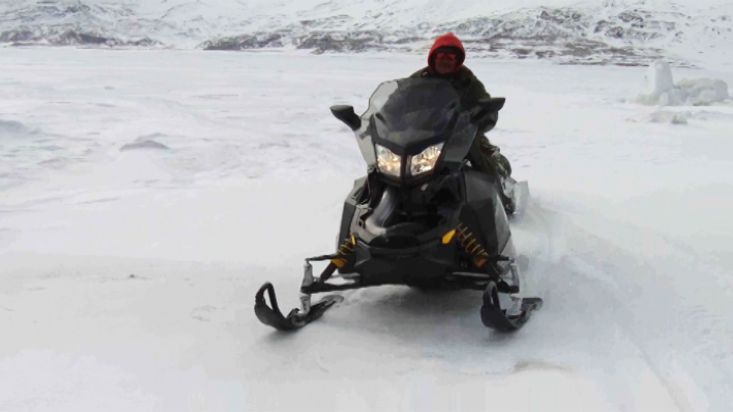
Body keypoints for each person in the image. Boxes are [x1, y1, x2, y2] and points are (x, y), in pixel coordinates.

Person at [410, 33, 513, 206]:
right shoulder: (419, 79)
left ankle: (499, 198)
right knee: (390, 162)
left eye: (450, 57)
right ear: (433, 57)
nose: (445, 60)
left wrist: (481, 119)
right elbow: (397, 100)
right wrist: (383, 119)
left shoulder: (467, 81)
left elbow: (485, 104)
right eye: (442, 56)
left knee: (477, 155)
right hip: (423, 133)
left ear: (457, 60)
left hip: (460, 133)